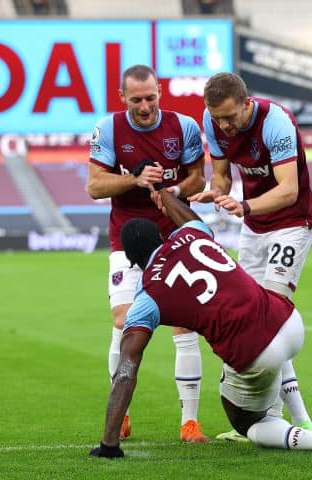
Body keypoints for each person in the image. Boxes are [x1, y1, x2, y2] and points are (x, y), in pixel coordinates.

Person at [89, 187, 312, 458]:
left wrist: (108, 444)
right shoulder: (191, 234)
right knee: (270, 340)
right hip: (288, 320)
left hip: (256, 351)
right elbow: (189, 217)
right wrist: (165, 195)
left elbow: (126, 370)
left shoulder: (147, 296)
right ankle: (303, 418)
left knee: (250, 424)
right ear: (161, 236)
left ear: (131, 261)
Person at [189, 72, 312, 441]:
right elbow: (222, 177)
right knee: (251, 322)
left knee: (269, 321)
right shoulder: (212, 122)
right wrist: (214, 193)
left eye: (230, 117)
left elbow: (289, 191)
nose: (224, 126)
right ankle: (271, 418)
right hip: (254, 228)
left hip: (291, 223)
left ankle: (297, 419)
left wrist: (243, 205)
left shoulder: (276, 122)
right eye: (217, 119)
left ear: (246, 104)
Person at [86, 64, 208, 443]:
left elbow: (198, 177)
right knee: (124, 321)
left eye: (151, 97)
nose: (144, 106)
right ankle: (120, 415)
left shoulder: (183, 126)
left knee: (184, 324)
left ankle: (190, 423)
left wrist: (172, 192)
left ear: (159, 92)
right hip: (126, 240)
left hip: (174, 236)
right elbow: (94, 186)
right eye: (136, 99)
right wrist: (134, 179)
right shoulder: (108, 129)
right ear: (123, 98)